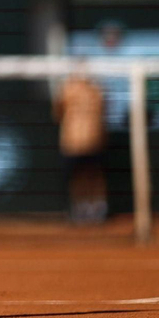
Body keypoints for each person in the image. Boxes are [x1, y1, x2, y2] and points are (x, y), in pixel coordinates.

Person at [53, 67, 108, 224]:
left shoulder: (96, 90)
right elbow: (58, 112)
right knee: (80, 176)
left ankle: (96, 208)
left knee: (93, 175)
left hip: (92, 140)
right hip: (74, 141)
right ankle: (82, 209)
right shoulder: (68, 89)